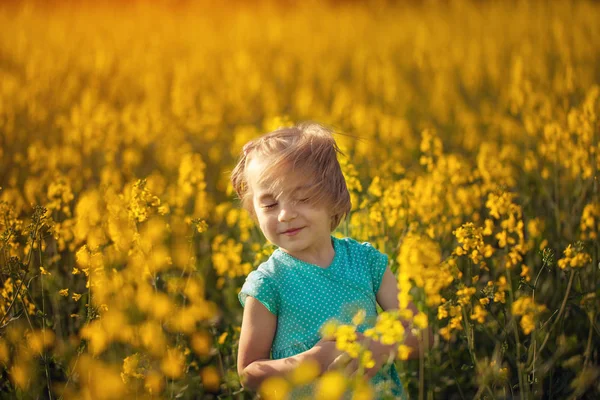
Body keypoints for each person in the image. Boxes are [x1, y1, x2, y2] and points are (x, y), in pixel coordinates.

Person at [232, 121, 421, 398]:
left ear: (333, 198)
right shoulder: (268, 284)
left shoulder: (365, 262)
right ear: (253, 211)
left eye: (302, 198)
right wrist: (311, 362)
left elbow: (420, 333)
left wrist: (380, 347)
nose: (285, 214)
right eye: (270, 204)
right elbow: (249, 373)